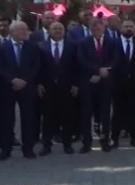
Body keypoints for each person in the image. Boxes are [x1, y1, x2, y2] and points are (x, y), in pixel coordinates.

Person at [0, 21, 42, 159]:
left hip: (27, 87)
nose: (25, 32)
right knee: (6, 119)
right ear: (12, 32)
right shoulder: (3, 47)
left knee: (28, 118)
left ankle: (28, 149)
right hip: (7, 88)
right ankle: (6, 149)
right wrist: (12, 80)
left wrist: (24, 80)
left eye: (26, 29)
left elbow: (36, 66)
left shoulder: (32, 47)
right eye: (21, 30)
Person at [77, 18, 119, 153]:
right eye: (94, 27)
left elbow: (115, 59)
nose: (97, 29)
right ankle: (86, 143)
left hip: (105, 83)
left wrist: (103, 72)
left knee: (105, 113)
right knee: (86, 113)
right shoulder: (83, 43)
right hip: (89, 82)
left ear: (104, 28)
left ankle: (105, 141)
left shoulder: (112, 42)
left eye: (99, 27)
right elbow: (81, 61)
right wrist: (96, 71)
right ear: (90, 29)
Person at [37, 22, 77, 155]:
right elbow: (38, 67)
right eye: (54, 28)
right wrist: (39, 83)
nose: (58, 30)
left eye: (60, 28)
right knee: (47, 117)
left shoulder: (72, 46)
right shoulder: (41, 46)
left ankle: (67, 144)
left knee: (67, 117)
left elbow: (76, 67)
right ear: (49, 30)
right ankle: (46, 146)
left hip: (66, 87)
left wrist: (75, 84)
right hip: (47, 87)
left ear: (64, 31)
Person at [111, 20, 135, 148]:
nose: (128, 28)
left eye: (131, 26)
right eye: (126, 26)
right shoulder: (113, 43)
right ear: (121, 28)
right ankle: (114, 138)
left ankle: (134, 137)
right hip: (117, 83)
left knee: (134, 111)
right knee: (117, 112)